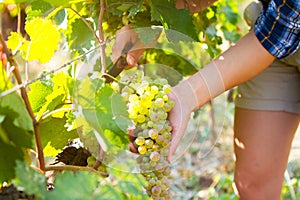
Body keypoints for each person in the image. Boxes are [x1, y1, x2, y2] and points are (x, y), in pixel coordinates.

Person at [113, 0, 300, 199]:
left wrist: (185, 97)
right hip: (272, 27)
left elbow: (278, 33)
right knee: (252, 183)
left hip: (276, 32)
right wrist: (150, 22)